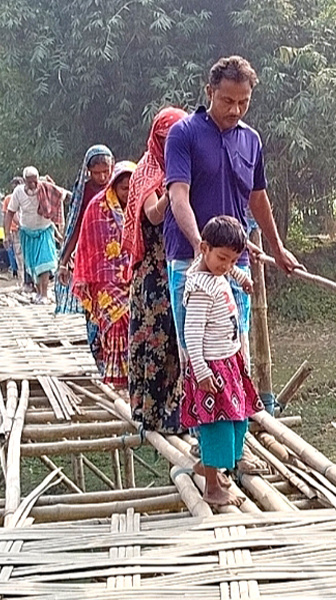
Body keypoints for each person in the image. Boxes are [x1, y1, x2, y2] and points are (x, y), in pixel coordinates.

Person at [164, 56, 302, 369]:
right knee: (196, 358)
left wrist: (277, 249)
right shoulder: (183, 134)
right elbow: (178, 196)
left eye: (243, 102)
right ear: (209, 91)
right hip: (190, 260)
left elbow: (257, 197)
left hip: (234, 263)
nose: (235, 110)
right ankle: (201, 418)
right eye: (227, 100)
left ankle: (238, 418)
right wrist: (203, 247)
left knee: (236, 356)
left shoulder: (251, 140)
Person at [181, 216, 264, 507]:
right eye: (223, 258)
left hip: (228, 362)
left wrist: (242, 277)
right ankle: (212, 487)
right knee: (218, 425)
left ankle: (209, 466)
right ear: (204, 248)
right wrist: (201, 371)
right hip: (212, 367)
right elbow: (191, 333)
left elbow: (230, 274)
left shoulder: (216, 272)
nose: (227, 265)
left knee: (238, 419)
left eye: (233, 260)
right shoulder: (201, 288)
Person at [122, 107, 187, 434]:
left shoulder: (189, 162)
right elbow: (153, 215)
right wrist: (174, 192)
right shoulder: (146, 172)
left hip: (183, 263)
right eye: (167, 138)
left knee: (183, 338)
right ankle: (152, 412)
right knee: (157, 338)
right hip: (154, 273)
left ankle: (180, 412)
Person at [71, 161, 136, 387]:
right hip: (104, 281)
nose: (128, 193)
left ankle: (133, 375)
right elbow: (87, 247)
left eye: (131, 187)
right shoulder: (96, 209)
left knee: (133, 322)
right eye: (123, 188)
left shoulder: (144, 206)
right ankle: (116, 376)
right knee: (115, 323)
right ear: (114, 187)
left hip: (135, 277)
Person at [57, 145, 114, 361]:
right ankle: (100, 354)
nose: (102, 177)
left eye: (105, 171)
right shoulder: (83, 193)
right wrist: (64, 262)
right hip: (91, 259)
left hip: (117, 259)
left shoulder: (120, 185)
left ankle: (117, 357)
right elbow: (76, 227)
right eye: (96, 172)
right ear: (87, 171)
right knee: (95, 307)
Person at [4, 166, 68, 304]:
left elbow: (62, 194)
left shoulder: (46, 188)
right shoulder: (18, 192)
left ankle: (44, 294)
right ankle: (39, 293)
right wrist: (7, 234)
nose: (33, 185)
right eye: (30, 182)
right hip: (26, 232)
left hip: (44, 230)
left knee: (44, 262)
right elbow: (10, 213)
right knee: (33, 265)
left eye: (35, 181)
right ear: (24, 181)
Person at [1, 176, 30, 288]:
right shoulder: (22, 197)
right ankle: (25, 281)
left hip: (21, 230)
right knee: (22, 256)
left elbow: (6, 217)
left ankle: (26, 281)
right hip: (21, 230)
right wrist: (7, 234)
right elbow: (7, 216)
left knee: (22, 256)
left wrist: (6, 233)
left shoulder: (11, 198)